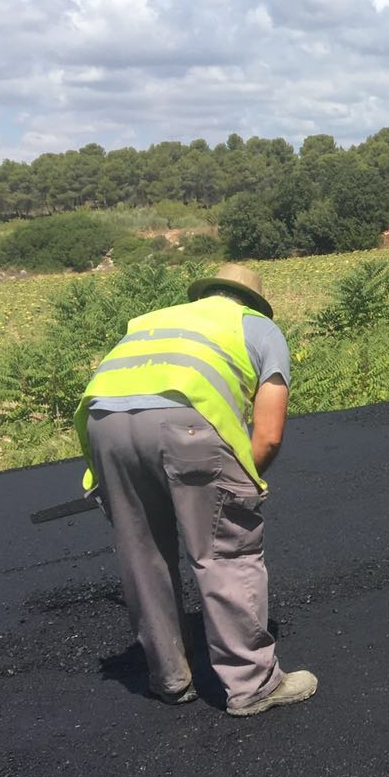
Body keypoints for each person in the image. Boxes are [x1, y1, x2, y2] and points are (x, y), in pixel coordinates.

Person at [72, 263, 317, 716]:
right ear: (253, 304)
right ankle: (252, 685)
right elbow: (268, 435)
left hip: (102, 426)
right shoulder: (259, 330)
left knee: (141, 553)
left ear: (206, 295)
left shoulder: (153, 322)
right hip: (184, 426)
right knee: (225, 551)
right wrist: (238, 491)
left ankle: (169, 679)